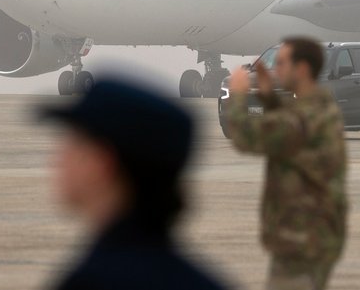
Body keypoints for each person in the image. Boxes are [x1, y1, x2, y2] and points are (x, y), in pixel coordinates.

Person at [37, 79, 229, 290]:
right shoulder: (205, 282)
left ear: (101, 163)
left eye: (72, 144)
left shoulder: (92, 281)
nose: (57, 159)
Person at [225, 36, 348, 290]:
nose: (275, 69)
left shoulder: (303, 119)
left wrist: (237, 96)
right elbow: (289, 119)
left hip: (301, 238)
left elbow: (245, 138)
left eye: (281, 63)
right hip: (317, 234)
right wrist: (269, 97)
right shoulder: (321, 106)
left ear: (301, 69)